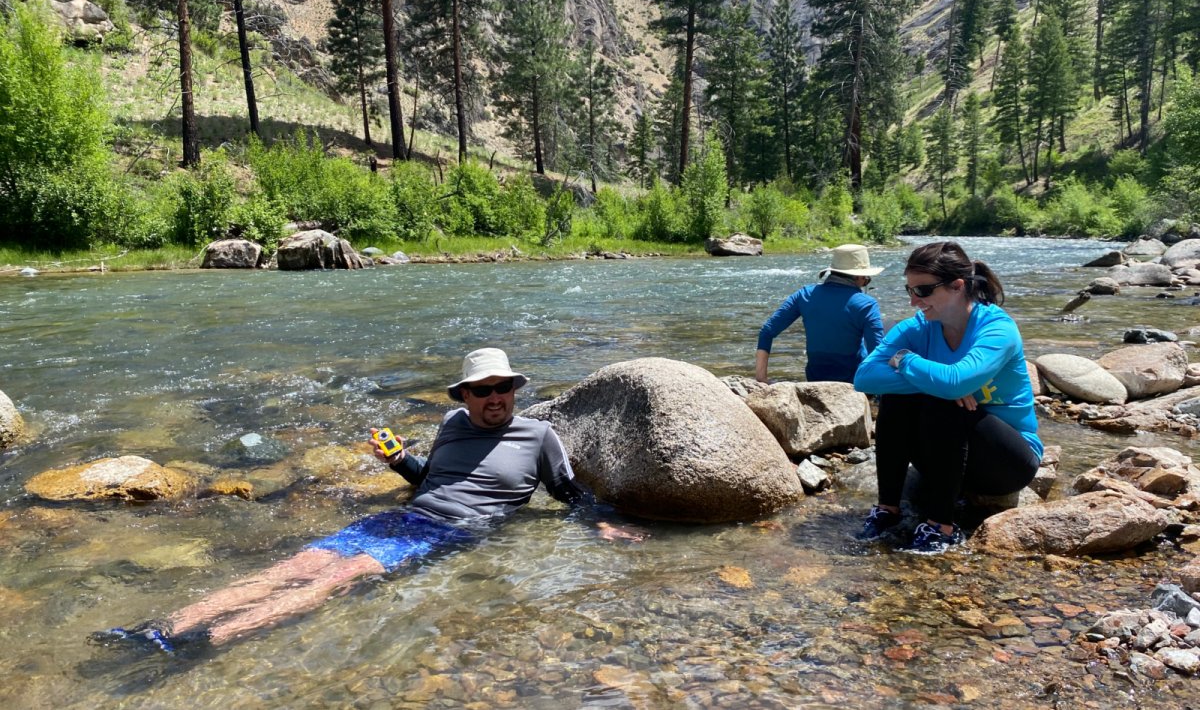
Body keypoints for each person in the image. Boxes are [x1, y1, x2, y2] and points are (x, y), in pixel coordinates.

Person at [92, 347, 639, 653]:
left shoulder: (538, 437)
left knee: (340, 574)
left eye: (504, 388)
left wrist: (601, 522)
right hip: (407, 515)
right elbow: (428, 480)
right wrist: (400, 461)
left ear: (515, 389)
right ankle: (162, 629)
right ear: (463, 395)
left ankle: (206, 642)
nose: (495, 398)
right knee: (298, 565)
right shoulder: (451, 423)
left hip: (457, 532)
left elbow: (568, 492)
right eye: (483, 389)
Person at [852, 241, 1043, 554]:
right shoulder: (919, 327)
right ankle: (888, 509)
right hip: (947, 460)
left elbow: (955, 383)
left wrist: (906, 361)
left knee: (943, 400)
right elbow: (864, 377)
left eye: (923, 291)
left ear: (957, 286)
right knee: (899, 398)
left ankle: (942, 527)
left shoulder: (997, 328)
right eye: (909, 290)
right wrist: (935, 380)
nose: (914, 301)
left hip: (1007, 464)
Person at [756, 244, 885, 384]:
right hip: (853, 381)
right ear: (858, 276)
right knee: (890, 329)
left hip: (815, 379)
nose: (865, 283)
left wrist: (761, 379)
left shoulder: (804, 295)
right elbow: (876, 351)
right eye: (866, 279)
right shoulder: (867, 304)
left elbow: (767, 331)